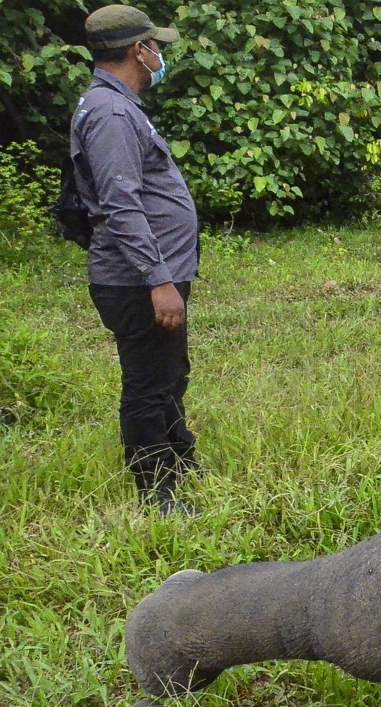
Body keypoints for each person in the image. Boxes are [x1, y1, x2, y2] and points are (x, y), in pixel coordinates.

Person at [71, 4, 199, 516]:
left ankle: (180, 459)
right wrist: (158, 279)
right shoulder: (111, 114)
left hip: (151, 275)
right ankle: (157, 493)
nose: (160, 54)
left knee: (168, 373)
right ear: (137, 50)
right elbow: (120, 205)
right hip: (137, 280)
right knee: (147, 384)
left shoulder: (117, 106)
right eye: (156, 46)